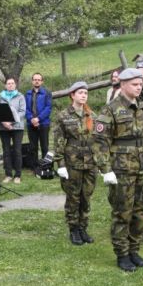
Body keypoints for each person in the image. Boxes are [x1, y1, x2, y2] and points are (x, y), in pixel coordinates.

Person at [93, 68, 143, 272]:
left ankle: (134, 251)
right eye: (134, 84)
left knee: (142, 211)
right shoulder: (110, 110)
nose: (139, 87)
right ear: (123, 84)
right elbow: (99, 143)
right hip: (121, 170)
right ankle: (122, 254)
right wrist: (106, 169)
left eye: (140, 84)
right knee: (122, 212)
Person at [54, 81, 97, 245]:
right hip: (72, 163)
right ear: (72, 95)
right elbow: (59, 141)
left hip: (90, 163)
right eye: (80, 93)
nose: (83, 95)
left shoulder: (91, 115)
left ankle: (83, 228)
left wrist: (100, 162)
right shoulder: (63, 116)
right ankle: (73, 229)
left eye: (85, 93)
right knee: (73, 197)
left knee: (86, 196)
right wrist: (61, 164)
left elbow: (97, 140)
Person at [0, 77, 26, 184]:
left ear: (15, 85)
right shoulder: (1, 97)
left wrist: (11, 122)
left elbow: (22, 112)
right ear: (5, 85)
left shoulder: (20, 96)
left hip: (17, 127)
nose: (10, 85)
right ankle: (8, 174)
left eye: (12, 83)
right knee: (6, 151)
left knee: (17, 150)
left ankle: (17, 175)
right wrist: (4, 123)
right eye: (8, 83)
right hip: (3, 128)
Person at [25, 73, 52, 166]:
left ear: (42, 81)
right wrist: (31, 119)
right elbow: (26, 109)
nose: (37, 81)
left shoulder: (47, 93)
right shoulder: (28, 93)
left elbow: (48, 108)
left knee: (44, 146)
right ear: (32, 81)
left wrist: (38, 119)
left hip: (43, 123)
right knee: (33, 147)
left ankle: (46, 166)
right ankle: (35, 166)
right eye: (35, 79)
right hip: (31, 124)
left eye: (39, 79)